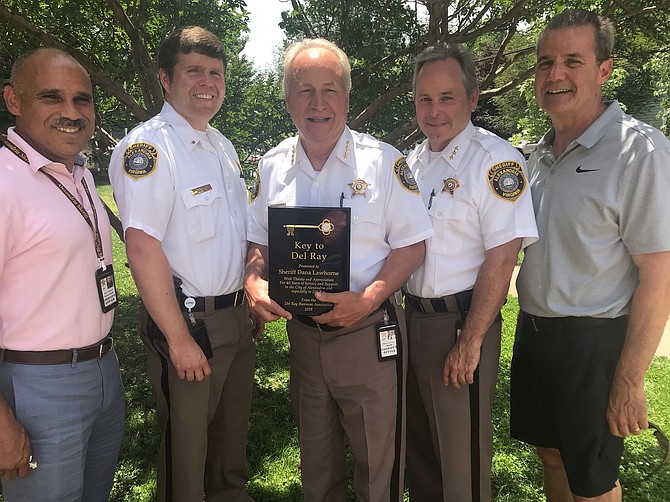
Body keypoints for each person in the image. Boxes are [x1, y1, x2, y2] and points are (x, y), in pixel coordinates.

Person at [244, 38, 433, 501]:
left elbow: (412, 247)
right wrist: (253, 282)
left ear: (347, 97)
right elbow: (258, 243)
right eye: (304, 90)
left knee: (377, 466)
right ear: (288, 99)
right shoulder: (271, 168)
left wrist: (369, 298)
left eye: (329, 89)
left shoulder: (385, 162)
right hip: (304, 340)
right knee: (317, 462)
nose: (318, 103)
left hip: (368, 337)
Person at [513, 9, 670, 501]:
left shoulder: (638, 152)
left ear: (604, 70)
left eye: (572, 61)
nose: (555, 75)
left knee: (593, 478)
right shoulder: (536, 157)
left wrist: (629, 379)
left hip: (595, 342)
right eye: (545, 63)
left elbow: (659, 274)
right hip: (536, 333)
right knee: (552, 455)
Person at [109, 26, 258, 502]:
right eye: (193, 70)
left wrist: (249, 299)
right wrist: (177, 338)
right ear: (165, 79)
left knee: (229, 448)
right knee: (187, 456)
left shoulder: (222, 147)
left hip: (236, 318)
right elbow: (142, 246)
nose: (207, 82)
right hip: (189, 322)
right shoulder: (149, 150)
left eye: (216, 73)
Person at [402, 43, 538, 501]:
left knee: (461, 460)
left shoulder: (495, 162)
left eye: (447, 97)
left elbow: (504, 257)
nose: (434, 110)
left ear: (473, 98)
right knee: (418, 450)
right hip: (409, 321)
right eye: (425, 98)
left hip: (459, 324)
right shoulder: (410, 164)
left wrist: (471, 340)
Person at [0, 48, 125, 501]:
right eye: (52, 97)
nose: (71, 113)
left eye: (82, 100)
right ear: (14, 101)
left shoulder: (78, 173)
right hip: (39, 386)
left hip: (103, 371)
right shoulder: (4, 184)